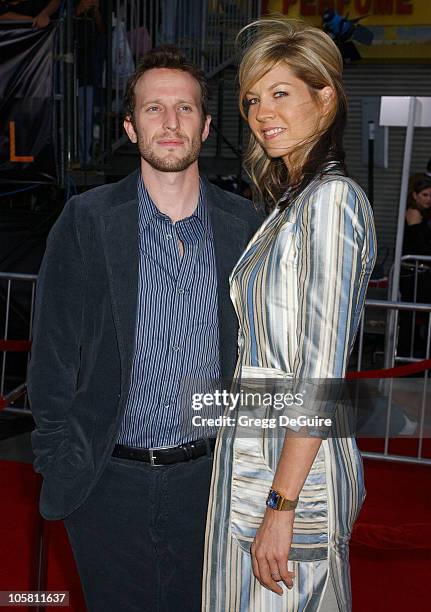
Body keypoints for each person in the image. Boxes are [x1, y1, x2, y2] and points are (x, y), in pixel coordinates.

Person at [27, 46, 262, 612]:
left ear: (206, 126)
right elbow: (52, 354)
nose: (171, 121)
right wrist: (60, 458)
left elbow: (263, 355)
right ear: (131, 128)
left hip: (213, 484)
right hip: (109, 479)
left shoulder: (247, 226)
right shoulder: (87, 220)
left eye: (184, 108)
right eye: (154, 109)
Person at [202, 18, 376, 612]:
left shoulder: (330, 203)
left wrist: (282, 505)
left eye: (281, 93)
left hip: (289, 471)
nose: (260, 112)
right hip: (258, 448)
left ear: (325, 96)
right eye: (253, 98)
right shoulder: (291, 204)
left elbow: (320, 375)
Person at [399, 177, 431, 356]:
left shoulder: (423, 214)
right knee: (409, 319)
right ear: (415, 195)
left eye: (430, 195)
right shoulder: (414, 213)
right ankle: (405, 356)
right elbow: (419, 245)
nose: (428, 199)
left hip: (419, 275)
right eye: (424, 195)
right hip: (413, 276)